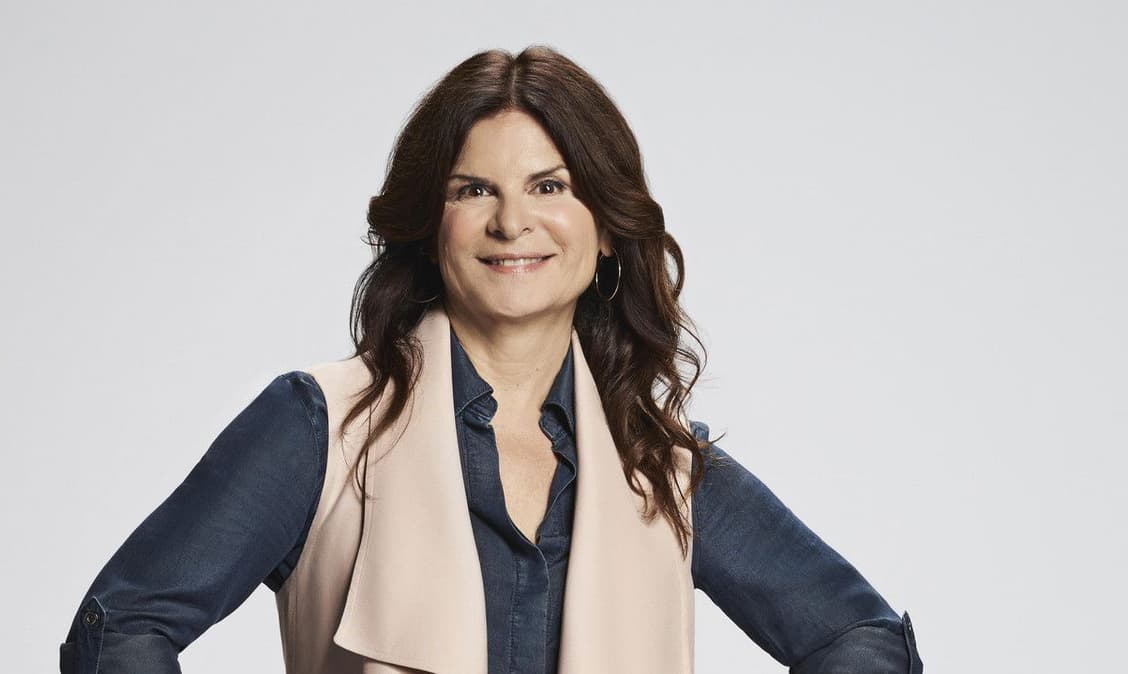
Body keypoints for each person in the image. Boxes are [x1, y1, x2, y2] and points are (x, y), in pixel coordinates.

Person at [59, 45, 923, 673]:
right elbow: (122, 626)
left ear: (606, 229)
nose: (513, 222)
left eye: (551, 187)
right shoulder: (320, 428)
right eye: (474, 190)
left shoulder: (658, 465)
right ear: (428, 226)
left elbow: (861, 642)